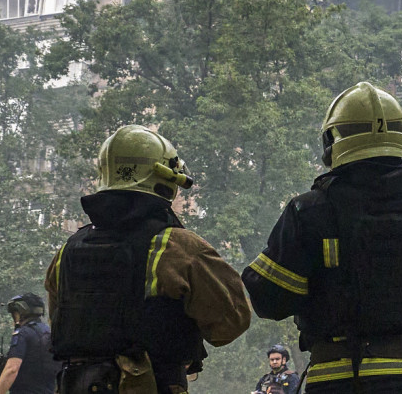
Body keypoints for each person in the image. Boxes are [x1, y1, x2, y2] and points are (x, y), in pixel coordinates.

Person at [243, 64, 402, 393]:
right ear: (399, 136)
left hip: (337, 381)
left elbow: (269, 299)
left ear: (333, 139)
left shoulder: (309, 211)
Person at [45, 124, 251, 394]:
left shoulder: (66, 252)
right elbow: (231, 322)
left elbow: (59, 321)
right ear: (163, 176)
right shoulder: (178, 247)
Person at [0, 293, 60, 394]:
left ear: (21, 312)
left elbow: (12, 369)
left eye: (14, 314)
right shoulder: (50, 333)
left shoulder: (23, 333)